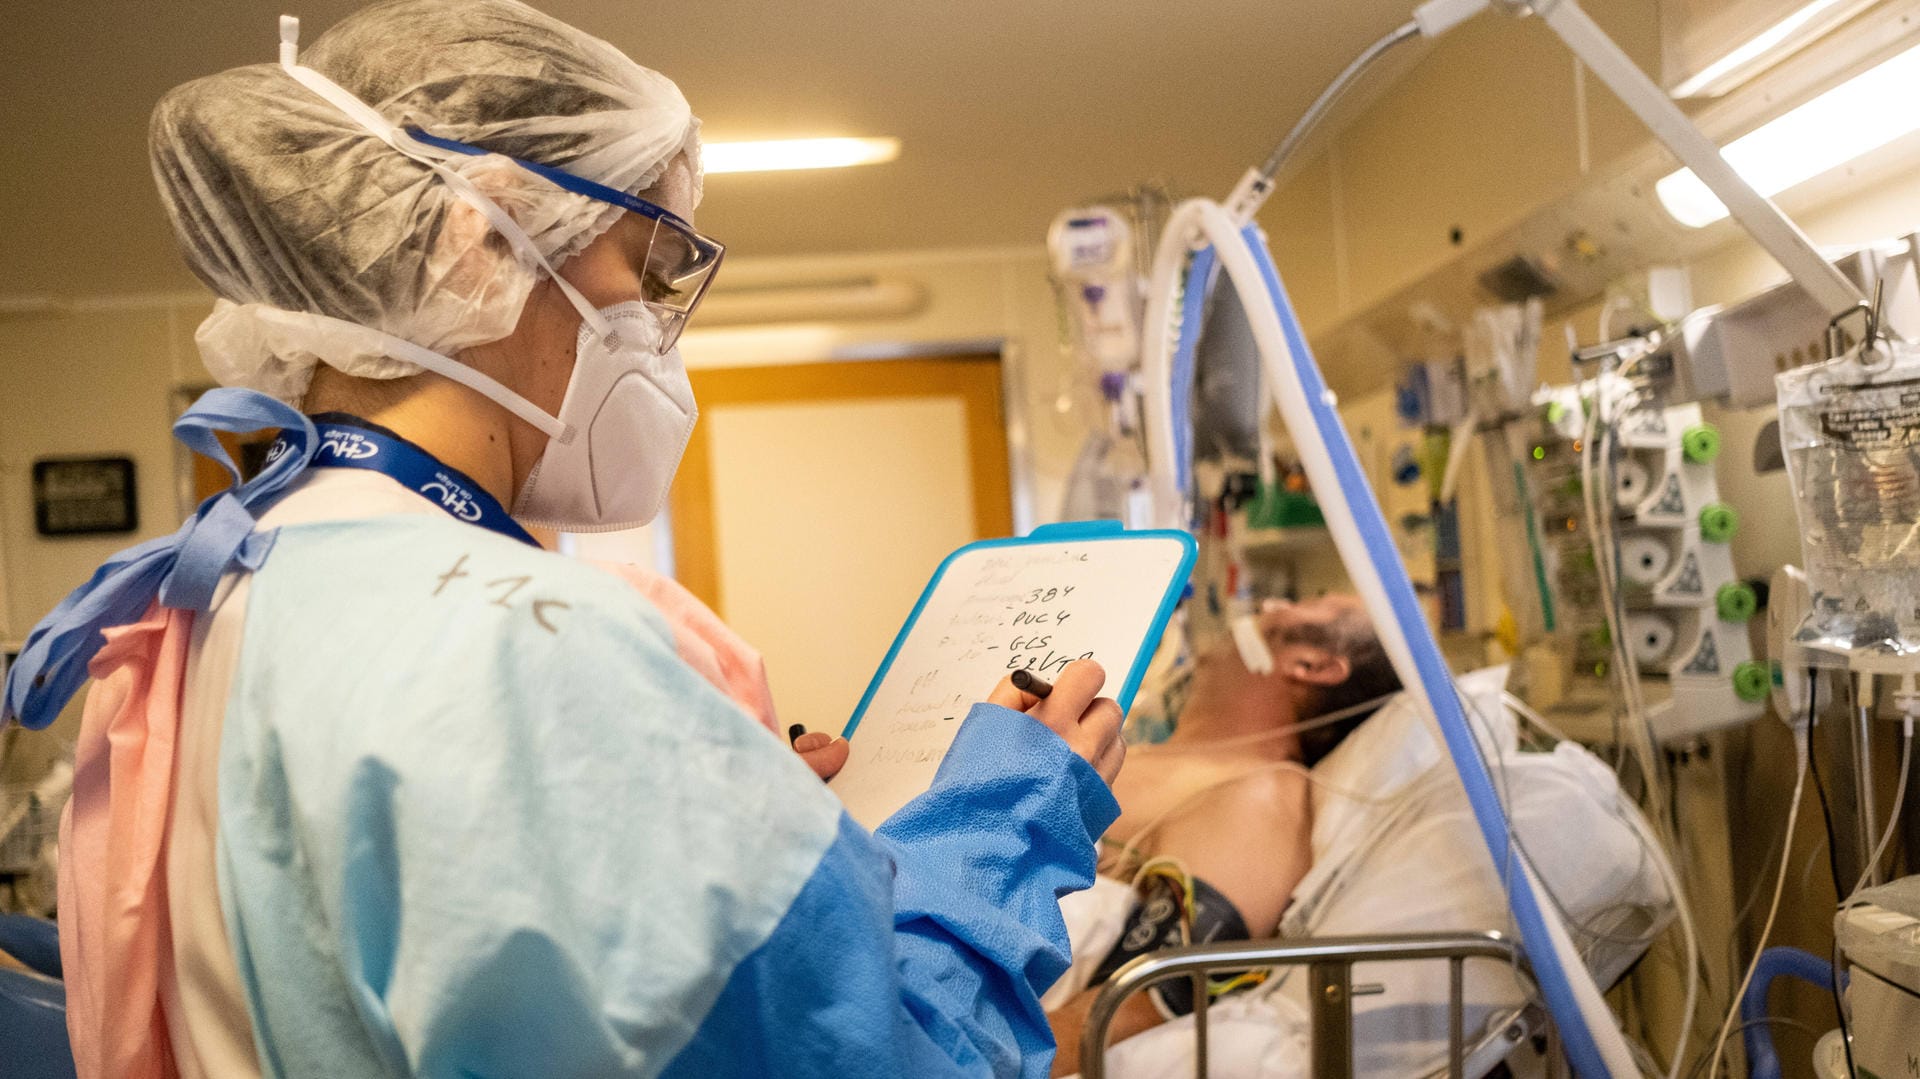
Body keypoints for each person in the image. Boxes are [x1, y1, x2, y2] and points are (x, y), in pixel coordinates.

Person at [0, 2, 1126, 1076]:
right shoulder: (528, 645)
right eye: (639, 270)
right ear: (477, 241)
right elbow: (872, 1054)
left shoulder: (226, 581)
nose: (649, 323)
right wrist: (1014, 811)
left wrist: (687, 830)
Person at [1045, 595, 1400, 1075]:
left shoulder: (1260, 795)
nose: (1271, 603)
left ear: (1312, 664)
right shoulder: (1129, 752)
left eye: (1307, 604)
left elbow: (1121, 1009)